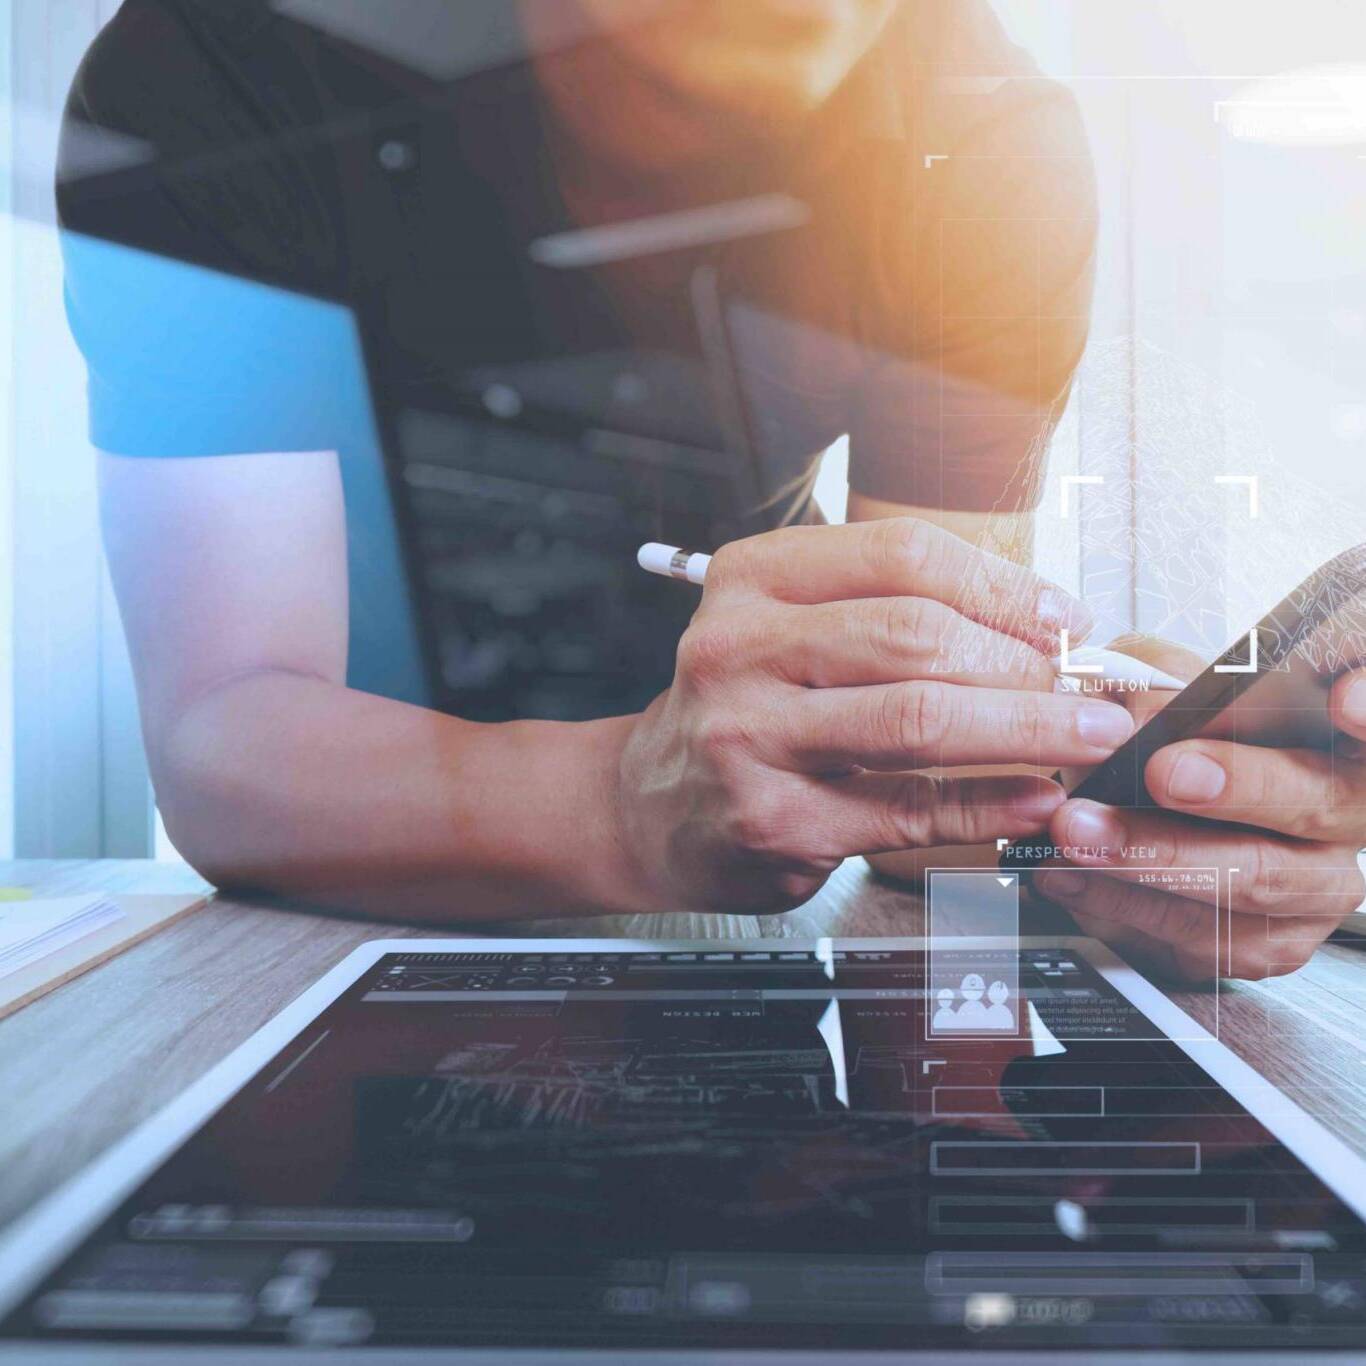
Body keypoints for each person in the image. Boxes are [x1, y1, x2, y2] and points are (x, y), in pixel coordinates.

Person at [57, 1, 1366, 980]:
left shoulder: (975, 136)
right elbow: (229, 740)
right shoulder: (222, 65)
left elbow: (913, 775)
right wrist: (625, 797)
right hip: (335, 894)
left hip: (738, 910)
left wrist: (1111, 820)